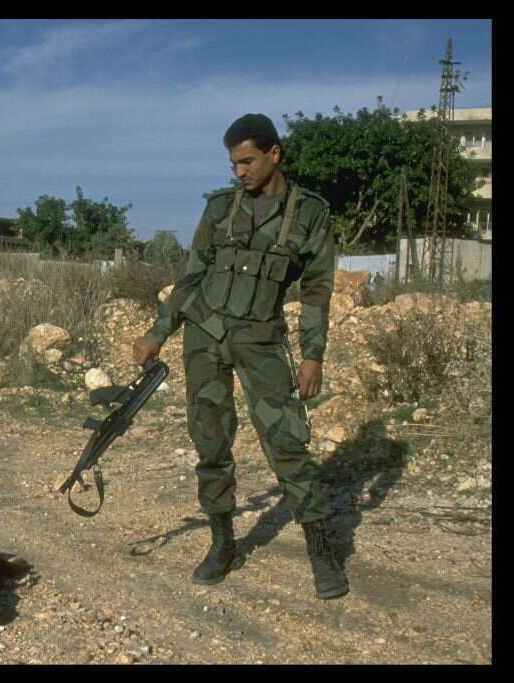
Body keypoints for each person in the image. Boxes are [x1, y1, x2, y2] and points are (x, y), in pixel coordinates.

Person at [132, 113, 348, 599]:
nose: (240, 172)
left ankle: (322, 551)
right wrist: (157, 332)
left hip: (261, 340)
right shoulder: (220, 208)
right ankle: (223, 543)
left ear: (275, 154)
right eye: (233, 164)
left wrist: (313, 356)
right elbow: (191, 276)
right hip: (205, 336)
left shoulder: (310, 213)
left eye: (247, 161)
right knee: (210, 441)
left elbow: (317, 290)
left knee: (286, 443)